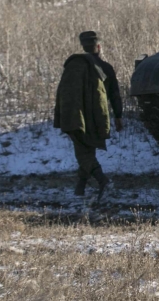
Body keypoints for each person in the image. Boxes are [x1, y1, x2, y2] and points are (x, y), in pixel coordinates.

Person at [53, 31, 124, 201]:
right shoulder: (106, 67)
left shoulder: (73, 66)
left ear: (83, 46)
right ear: (99, 46)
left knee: (83, 152)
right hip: (97, 118)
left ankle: (103, 181)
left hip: (76, 117)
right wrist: (118, 116)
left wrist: (63, 115)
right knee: (86, 149)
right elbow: (114, 94)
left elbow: (63, 93)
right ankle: (81, 187)